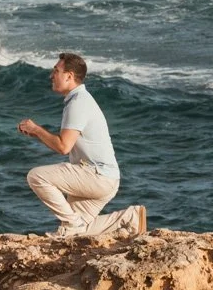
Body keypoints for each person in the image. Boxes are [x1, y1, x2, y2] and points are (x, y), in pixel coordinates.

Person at [17, 52, 147, 238]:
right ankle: (130, 218)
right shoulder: (78, 100)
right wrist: (37, 134)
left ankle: (72, 222)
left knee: (36, 176)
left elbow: (63, 147)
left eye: (56, 71)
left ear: (69, 76)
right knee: (73, 233)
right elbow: (65, 144)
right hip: (103, 178)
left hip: (97, 176)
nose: (51, 76)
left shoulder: (78, 103)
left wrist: (37, 130)